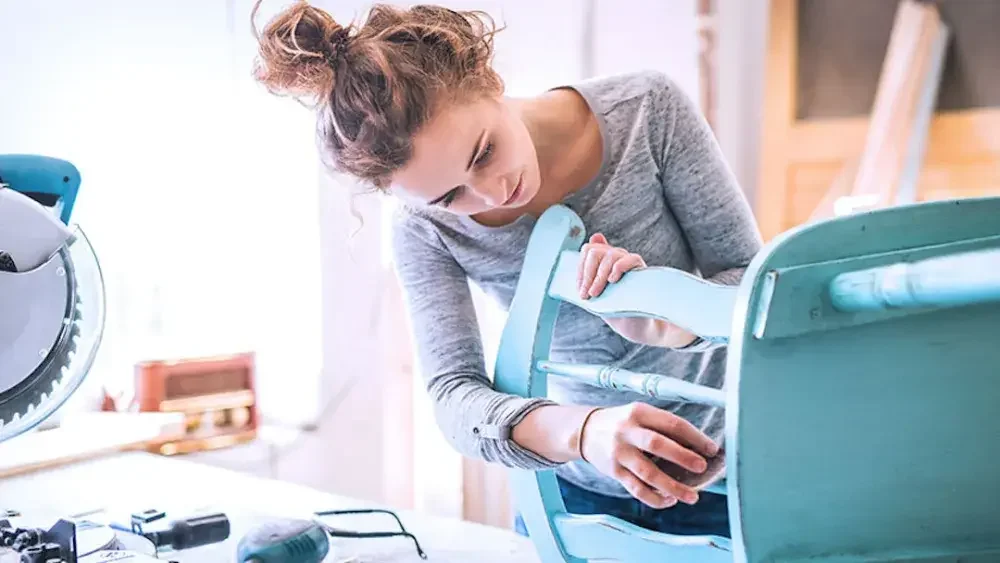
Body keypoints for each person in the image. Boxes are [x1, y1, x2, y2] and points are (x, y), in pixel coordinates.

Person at [251, 0, 762, 539]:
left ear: (487, 78)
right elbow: (452, 394)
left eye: (483, 151)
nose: (493, 191)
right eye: (451, 195)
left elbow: (753, 282)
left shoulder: (647, 111)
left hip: (734, 481)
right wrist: (583, 432)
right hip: (570, 500)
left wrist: (667, 321)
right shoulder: (423, 228)